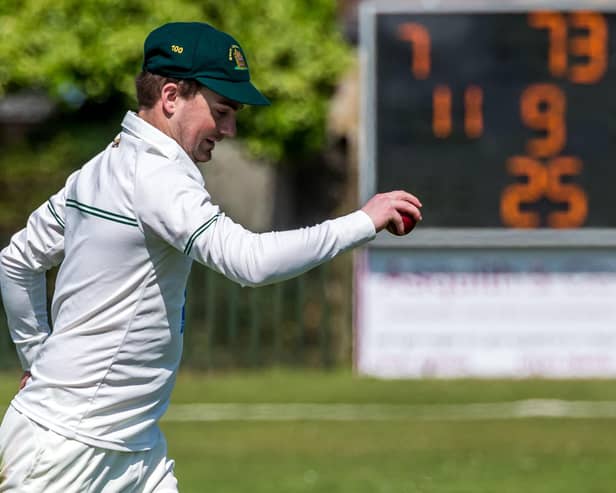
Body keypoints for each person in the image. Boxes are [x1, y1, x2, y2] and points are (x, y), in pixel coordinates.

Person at [0, 21, 421, 492]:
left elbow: (16, 261)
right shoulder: (156, 176)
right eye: (221, 110)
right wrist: (363, 221)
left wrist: (36, 359)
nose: (230, 128)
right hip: (66, 452)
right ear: (172, 97)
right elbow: (249, 261)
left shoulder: (103, 166)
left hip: (134, 447)